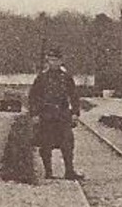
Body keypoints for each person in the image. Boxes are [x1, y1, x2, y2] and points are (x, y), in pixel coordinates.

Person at [28, 47, 84, 180]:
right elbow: (33, 97)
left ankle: (69, 171)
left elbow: (74, 96)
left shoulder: (66, 78)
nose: (53, 63)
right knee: (45, 144)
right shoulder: (42, 78)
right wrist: (34, 114)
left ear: (61, 61)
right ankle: (48, 172)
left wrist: (75, 113)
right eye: (50, 60)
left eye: (55, 60)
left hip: (62, 115)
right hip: (46, 115)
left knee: (67, 143)